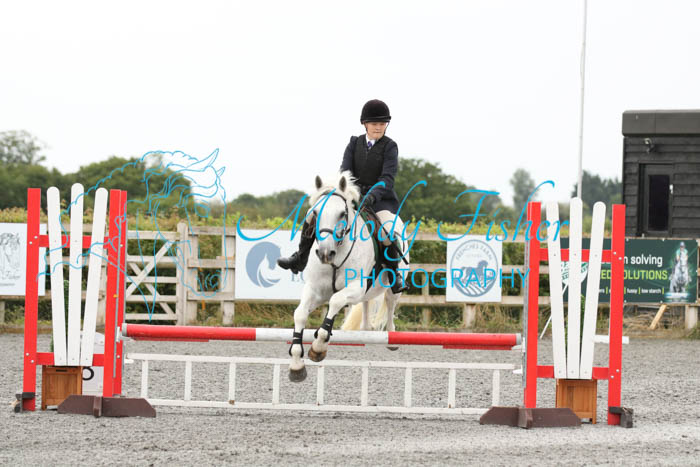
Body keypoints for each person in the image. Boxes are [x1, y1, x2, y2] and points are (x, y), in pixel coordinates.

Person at [277, 99, 408, 293]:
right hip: (352, 197)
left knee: (387, 230)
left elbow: (387, 179)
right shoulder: (354, 143)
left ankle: (394, 273)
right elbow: (345, 172)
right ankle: (300, 258)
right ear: (365, 124)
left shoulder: (390, 146)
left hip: (380, 201)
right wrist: (349, 194)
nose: (378, 127)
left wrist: (371, 196)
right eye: (374, 123)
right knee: (313, 216)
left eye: (382, 123)